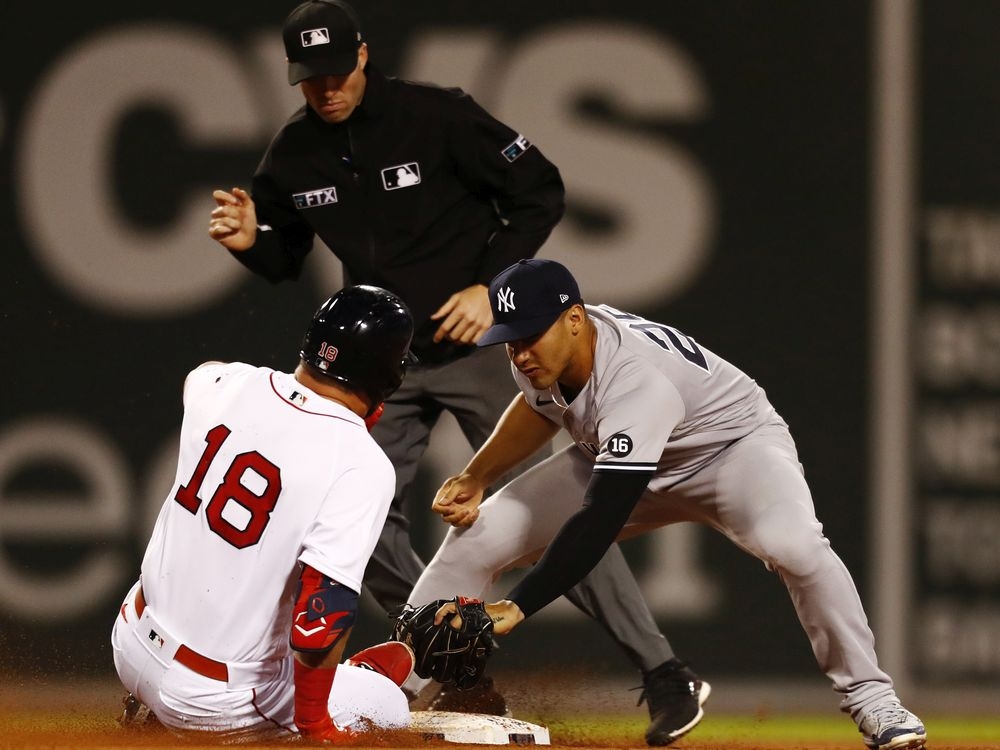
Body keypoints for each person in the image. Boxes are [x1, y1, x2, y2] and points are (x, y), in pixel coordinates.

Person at [206, 0, 702, 737]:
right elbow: (285, 258)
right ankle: (454, 663)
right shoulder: (293, 154)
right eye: (312, 77)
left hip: (485, 350)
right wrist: (253, 241)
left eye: (338, 70)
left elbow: (540, 190)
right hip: (385, 371)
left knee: (559, 511)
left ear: (364, 57)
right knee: (353, 520)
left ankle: (665, 673)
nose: (328, 87)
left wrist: (493, 288)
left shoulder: (435, 116)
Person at [412, 258, 928, 750]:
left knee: (796, 547)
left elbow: (600, 517)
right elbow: (538, 407)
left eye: (529, 336)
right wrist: (478, 473)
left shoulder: (635, 377)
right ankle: (394, 692)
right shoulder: (548, 350)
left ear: (574, 319)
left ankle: (874, 698)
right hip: (621, 452)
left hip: (730, 452)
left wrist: (518, 605)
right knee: (476, 536)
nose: (520, 352)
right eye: (510, 340)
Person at [112, 285, 418, 742]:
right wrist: (314, 724)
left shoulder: (225, 382)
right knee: (390, 707)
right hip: (211, 697)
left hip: (129, 641)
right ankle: (357, 682)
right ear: (388, 376)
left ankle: (151, 703)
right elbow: (323, 611)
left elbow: (199, 374)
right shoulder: (362, 462)